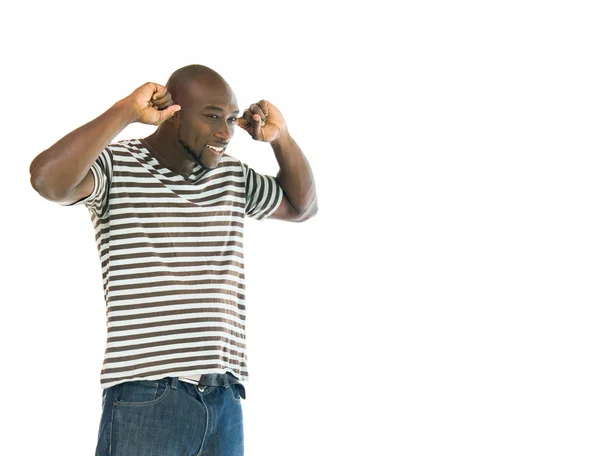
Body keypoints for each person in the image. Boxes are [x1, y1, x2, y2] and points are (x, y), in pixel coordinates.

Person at [29, 64, 317, 456]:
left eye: (231, 119)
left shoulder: (231, 176)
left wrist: (281, 138)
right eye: (212, 115)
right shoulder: (117, 166)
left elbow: (302, 207)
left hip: (224, 395)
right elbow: (47, 180)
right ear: (173, 111)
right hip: (148, 393)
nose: (225, 133)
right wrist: (125, 111)